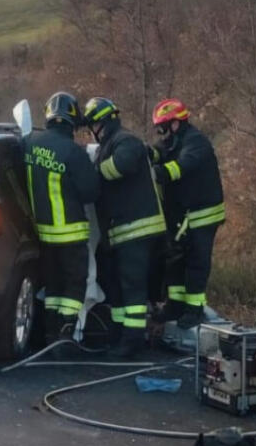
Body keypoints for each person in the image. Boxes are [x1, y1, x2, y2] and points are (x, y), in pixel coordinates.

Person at [83, 97, 167, 358]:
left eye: (93, 125)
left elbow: (124, 164)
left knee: (133, 286)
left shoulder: (125, 141)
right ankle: (119, 334)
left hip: (138, 230)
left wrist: (94, 172)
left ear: (104, 123)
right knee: (118, 283)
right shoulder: (110, 144)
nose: (92, 132)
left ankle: (132, 341)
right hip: (124, 232)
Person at [23, 92, 100, 343]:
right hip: (71, 233)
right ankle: (65, 337)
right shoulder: (73, 153)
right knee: (73, 286)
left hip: (41, 234)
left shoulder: (29, 144)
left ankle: (48, 334)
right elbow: (91, 192)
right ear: (72, 121)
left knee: (53, 287)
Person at [151, 98, 225, 330]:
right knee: (175, 260)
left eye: (163, 127)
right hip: (184, 215)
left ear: (176, 123)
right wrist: (143, 154)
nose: (161, 133)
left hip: (203, 214)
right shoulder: (174, 142)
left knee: (196, 261)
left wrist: (159, 173)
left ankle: (194, 309)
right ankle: (175, 304)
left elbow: (182, 166)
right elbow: (158, 152)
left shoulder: (196, 142)